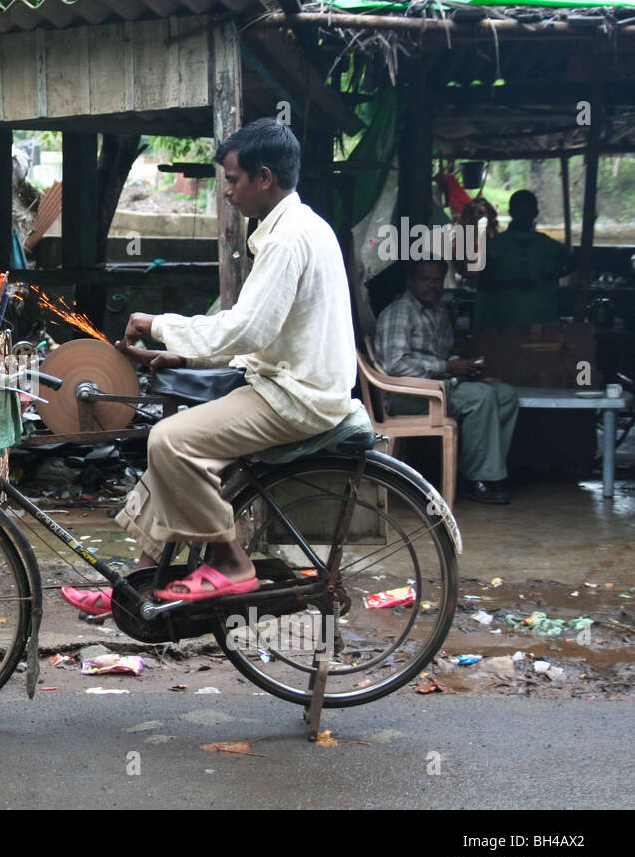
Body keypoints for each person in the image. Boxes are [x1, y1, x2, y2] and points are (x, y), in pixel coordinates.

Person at [61, 118, 358, 617]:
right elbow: (261, 328)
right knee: (171, 453)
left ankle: (230, 562)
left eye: (233, 179)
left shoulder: (287, 241)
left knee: (170, 440)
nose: (226, 191)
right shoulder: (299, 226)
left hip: (298, 395)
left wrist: (158, 325)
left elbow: (246, 331)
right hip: (294, 381)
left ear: (264, 178)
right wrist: (182, 355)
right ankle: (133, 587)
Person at [374, 258, 518, 504]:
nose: (432, 286)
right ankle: (476, 480)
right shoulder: (400, 311)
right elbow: (396, 365)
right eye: (425, 279)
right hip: (407, 395)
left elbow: (441, 353)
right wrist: (446, 367)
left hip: (436, 387)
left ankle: (481, 469)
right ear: (410, 282)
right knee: (481, 397)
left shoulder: (437, 310)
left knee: (506, 394)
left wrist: (461, 364)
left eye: (437, 280)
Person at [474, 189, 570, 329]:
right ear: (512, 213)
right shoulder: (497, 245)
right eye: (520, 212)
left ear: (535, 213)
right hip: (505, 322)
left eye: (527, 212)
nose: (523, 216)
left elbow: (572, 262)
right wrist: (513, 284)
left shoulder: (546, 244)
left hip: (540, 321)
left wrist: (551, 276)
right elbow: (483, 283)